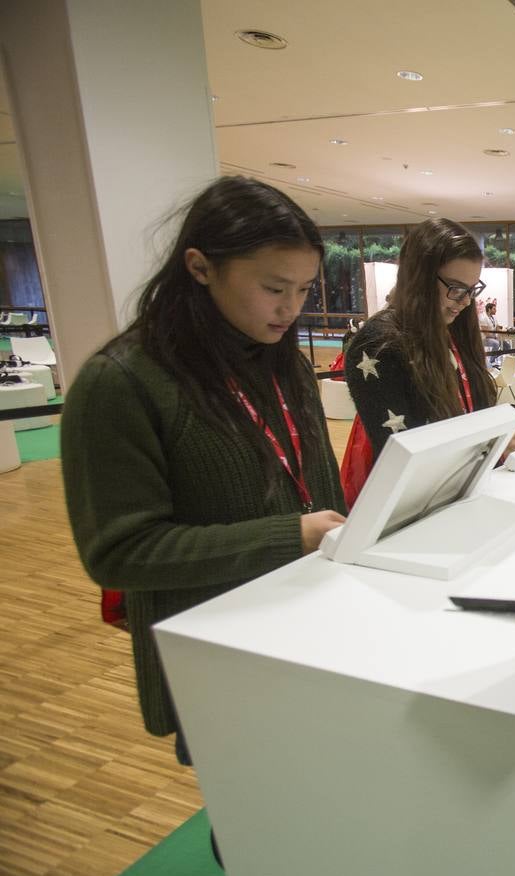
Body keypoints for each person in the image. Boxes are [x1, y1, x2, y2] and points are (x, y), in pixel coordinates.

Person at [62, 175, 348, 753]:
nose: (291, 308)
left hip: (310, 624)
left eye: (304, 289)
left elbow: (310, 481)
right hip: (215, 650)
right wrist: (289, 536)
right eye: (274, 287)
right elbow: (119, 552)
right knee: (253, 826)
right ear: (200, 267)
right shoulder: (120, 382)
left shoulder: (280, 360)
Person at [344, 219, 515, 479]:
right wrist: (493, 443)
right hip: (417, 499)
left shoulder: (452, 328)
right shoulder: (379, 343)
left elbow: (474, 410)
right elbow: (409, 452)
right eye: (456, 289)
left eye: (471, 289)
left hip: (463, 485)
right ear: (418, 278)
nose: (466, 302)